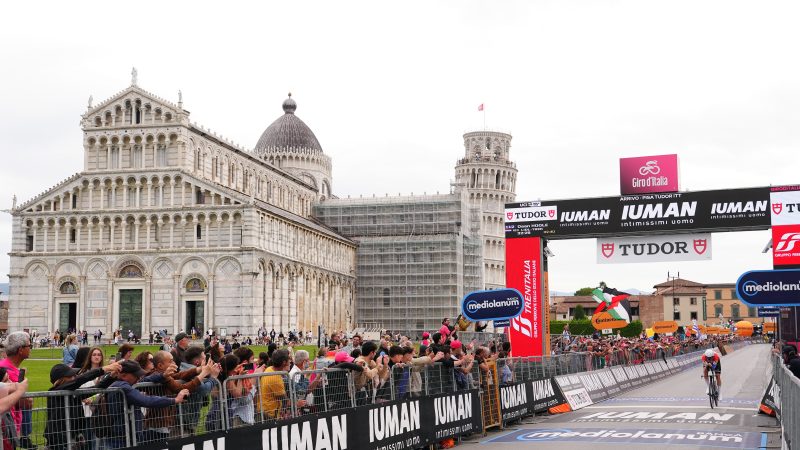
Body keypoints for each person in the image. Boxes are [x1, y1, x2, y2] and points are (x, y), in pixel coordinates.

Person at [105, 361, 189, 449]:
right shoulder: (123, 387)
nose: (139, 378)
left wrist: (162, 375)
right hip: (121, 440)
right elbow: (147, 401)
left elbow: (143, 381)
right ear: (124, 375)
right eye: (136, 375)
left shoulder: (123, 383)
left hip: (125, 436)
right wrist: (174, 400)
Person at [44, 361, 121, 450]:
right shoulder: (55, 391)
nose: (75, 377)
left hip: (73, 439)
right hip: (58, 442)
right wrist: (103, 369)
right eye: (72, 376)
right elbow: (80, 380)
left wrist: (111, 376)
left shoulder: (72, 393)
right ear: (62, 380)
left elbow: (97, 388)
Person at [0, 332, 33, 449]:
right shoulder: (8, 372)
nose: (31, 348)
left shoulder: (6, 367)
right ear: (20, 350)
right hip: (6, 429)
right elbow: (25, 403)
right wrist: (28, 399)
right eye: (29, 346)